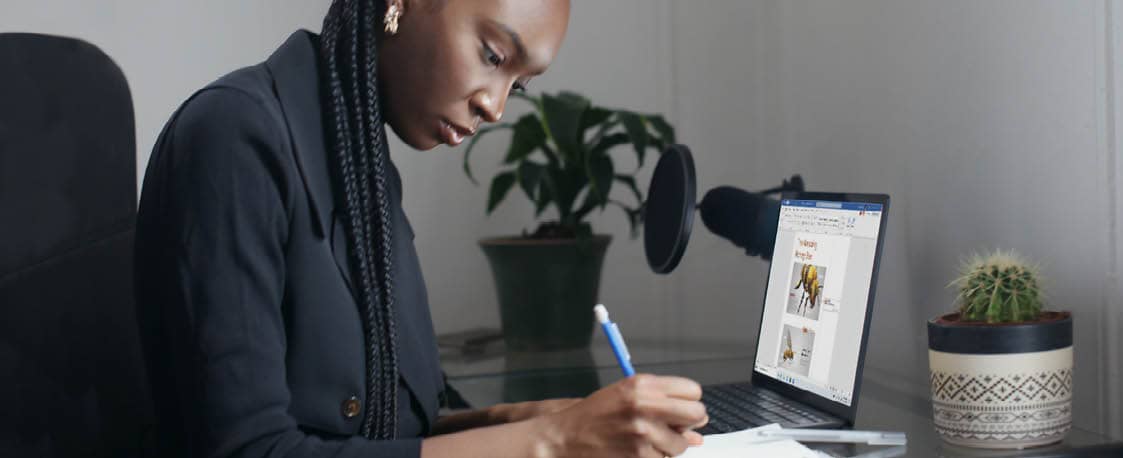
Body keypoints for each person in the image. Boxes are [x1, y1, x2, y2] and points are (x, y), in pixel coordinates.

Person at [134, 0, 707, 457]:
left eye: (519, 84)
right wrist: (551, 443)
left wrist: (531, 418)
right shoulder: (234, 137)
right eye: (492, 55)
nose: (496, 107)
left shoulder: (363, 168)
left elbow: (393, 428)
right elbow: (253, 449)